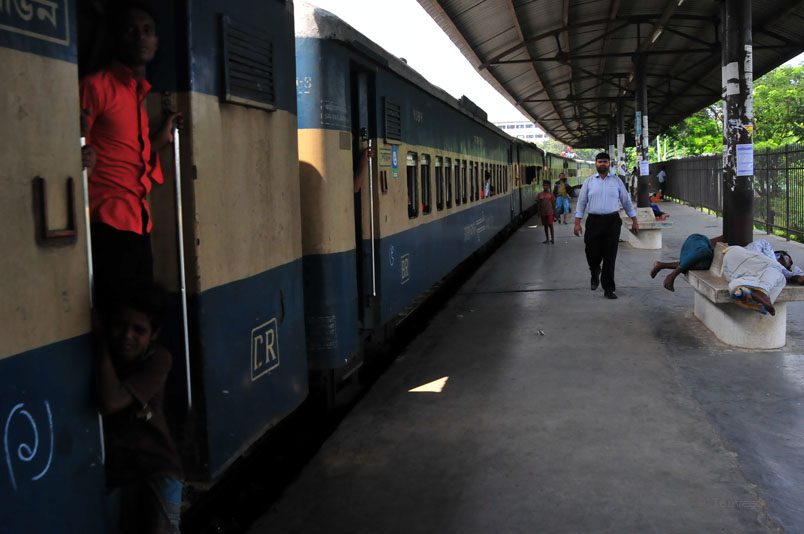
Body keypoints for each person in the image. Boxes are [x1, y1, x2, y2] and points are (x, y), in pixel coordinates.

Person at [80, 2, 181, 305]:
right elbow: (74, 144)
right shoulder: (96, 87)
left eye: (148, 31)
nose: (141, 37)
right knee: (118, 313)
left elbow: (126, 153)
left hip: (138, 221)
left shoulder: (136, 94)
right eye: (131, 30)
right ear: (116, 38)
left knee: (139, 311)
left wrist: (160, 139)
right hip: (107, 223)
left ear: (157, 41)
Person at [93, 282, 183, 533]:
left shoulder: (158, 359)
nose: (127, 336)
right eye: (119, 325)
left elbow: (111, 402)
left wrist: (100, 344)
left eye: (139, 330)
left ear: (154, 334)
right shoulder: (114, 359)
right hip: (124, 472)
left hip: (157, 469)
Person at [573, 152, 638, 299]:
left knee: (610, 256)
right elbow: (581, 203)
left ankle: (609, 288)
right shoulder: (589, 182)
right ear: (596, 164)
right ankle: (595, 270)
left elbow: (626, 202)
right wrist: (577, 223)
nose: (602, 164)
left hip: (612, 222)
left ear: (609, 164)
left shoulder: (617, 182)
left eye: (605, 162)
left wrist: (635, 220)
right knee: (591, 252)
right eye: (600, 161)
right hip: (593, 222)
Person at [650, 234, 724, 291]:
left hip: (695, 246)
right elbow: (703, 251)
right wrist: (673, 275)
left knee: (702, 264)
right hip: (699, 241)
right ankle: (672, 275)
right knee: (704, 255)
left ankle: (661, 265)